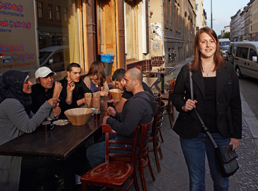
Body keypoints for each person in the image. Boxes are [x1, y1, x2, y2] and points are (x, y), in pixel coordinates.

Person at [171, 27, 242, 191]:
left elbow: (235, 104)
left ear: (216, 44)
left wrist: (236, 135)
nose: (208, 45)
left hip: (221, 134)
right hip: (192, 134)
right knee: (196, 182)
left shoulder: (228, 70)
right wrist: (183, 104)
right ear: (198, 45)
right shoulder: (187, 70)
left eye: (211, 41)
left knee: (222, 182)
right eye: (203, 41)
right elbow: (175, 96)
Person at [0, 70, 59, 191]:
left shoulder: (21, 101)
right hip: (4, 156)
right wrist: (47, 105)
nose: (30, 83)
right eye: (26, 82)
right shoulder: (11, 103)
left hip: (17, 149)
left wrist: (51, 116)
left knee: (45, 165)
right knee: (49, 161)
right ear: (15, 85)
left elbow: (34, 121)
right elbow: (28, 127)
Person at [86, 68, 158, 168]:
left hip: (131, 145)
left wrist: (109, 120)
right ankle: (111, 167)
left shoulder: (136, 103)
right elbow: (132, 119)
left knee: (90, 152)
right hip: (136, 140)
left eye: (126, 80)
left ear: (136, 82)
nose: (123, 82)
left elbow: (126, 129)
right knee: (102, 138)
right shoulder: (145, 96)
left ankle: (106, 179)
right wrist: (116, 114)